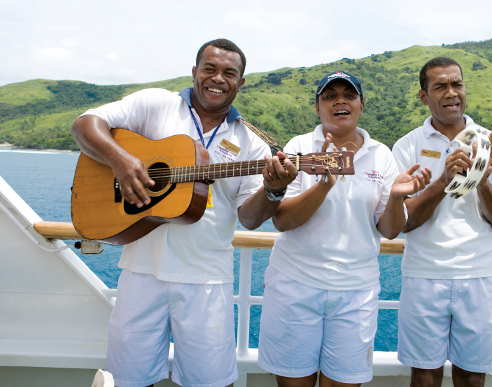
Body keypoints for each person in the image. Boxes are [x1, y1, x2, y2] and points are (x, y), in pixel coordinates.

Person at [71, 38, 297, 387]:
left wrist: (274, 189)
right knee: (127, 380)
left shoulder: (251, 144)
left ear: (241, 82)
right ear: (194, 72)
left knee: (210, 382)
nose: (217, 78)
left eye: (229, 73)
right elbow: (85, 123)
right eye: (209, 69)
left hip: (207, 279)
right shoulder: (155, 104)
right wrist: (121, 160)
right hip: (140, 271)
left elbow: (250, 218)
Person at [257, 71, 431, 387]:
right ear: (317, 107)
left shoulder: (381, 155)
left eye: (349, 95)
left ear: (361, 106)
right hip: (296, 283)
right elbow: (282, 221)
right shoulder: (299, 147)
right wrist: (324, 185)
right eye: (330, 95)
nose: (340, 101)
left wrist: (395, 198)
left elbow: (390, 230)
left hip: (357, 291)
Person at [391, 57, 492, 387]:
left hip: (479, 273)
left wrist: (481, 180)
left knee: (471, 377)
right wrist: (444, 178)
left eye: (457, 84)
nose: (451, 92)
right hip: (423, 274)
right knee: (424, 376)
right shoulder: (407, 146)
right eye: (440, 86)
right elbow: (403, 221)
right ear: (424, 96)